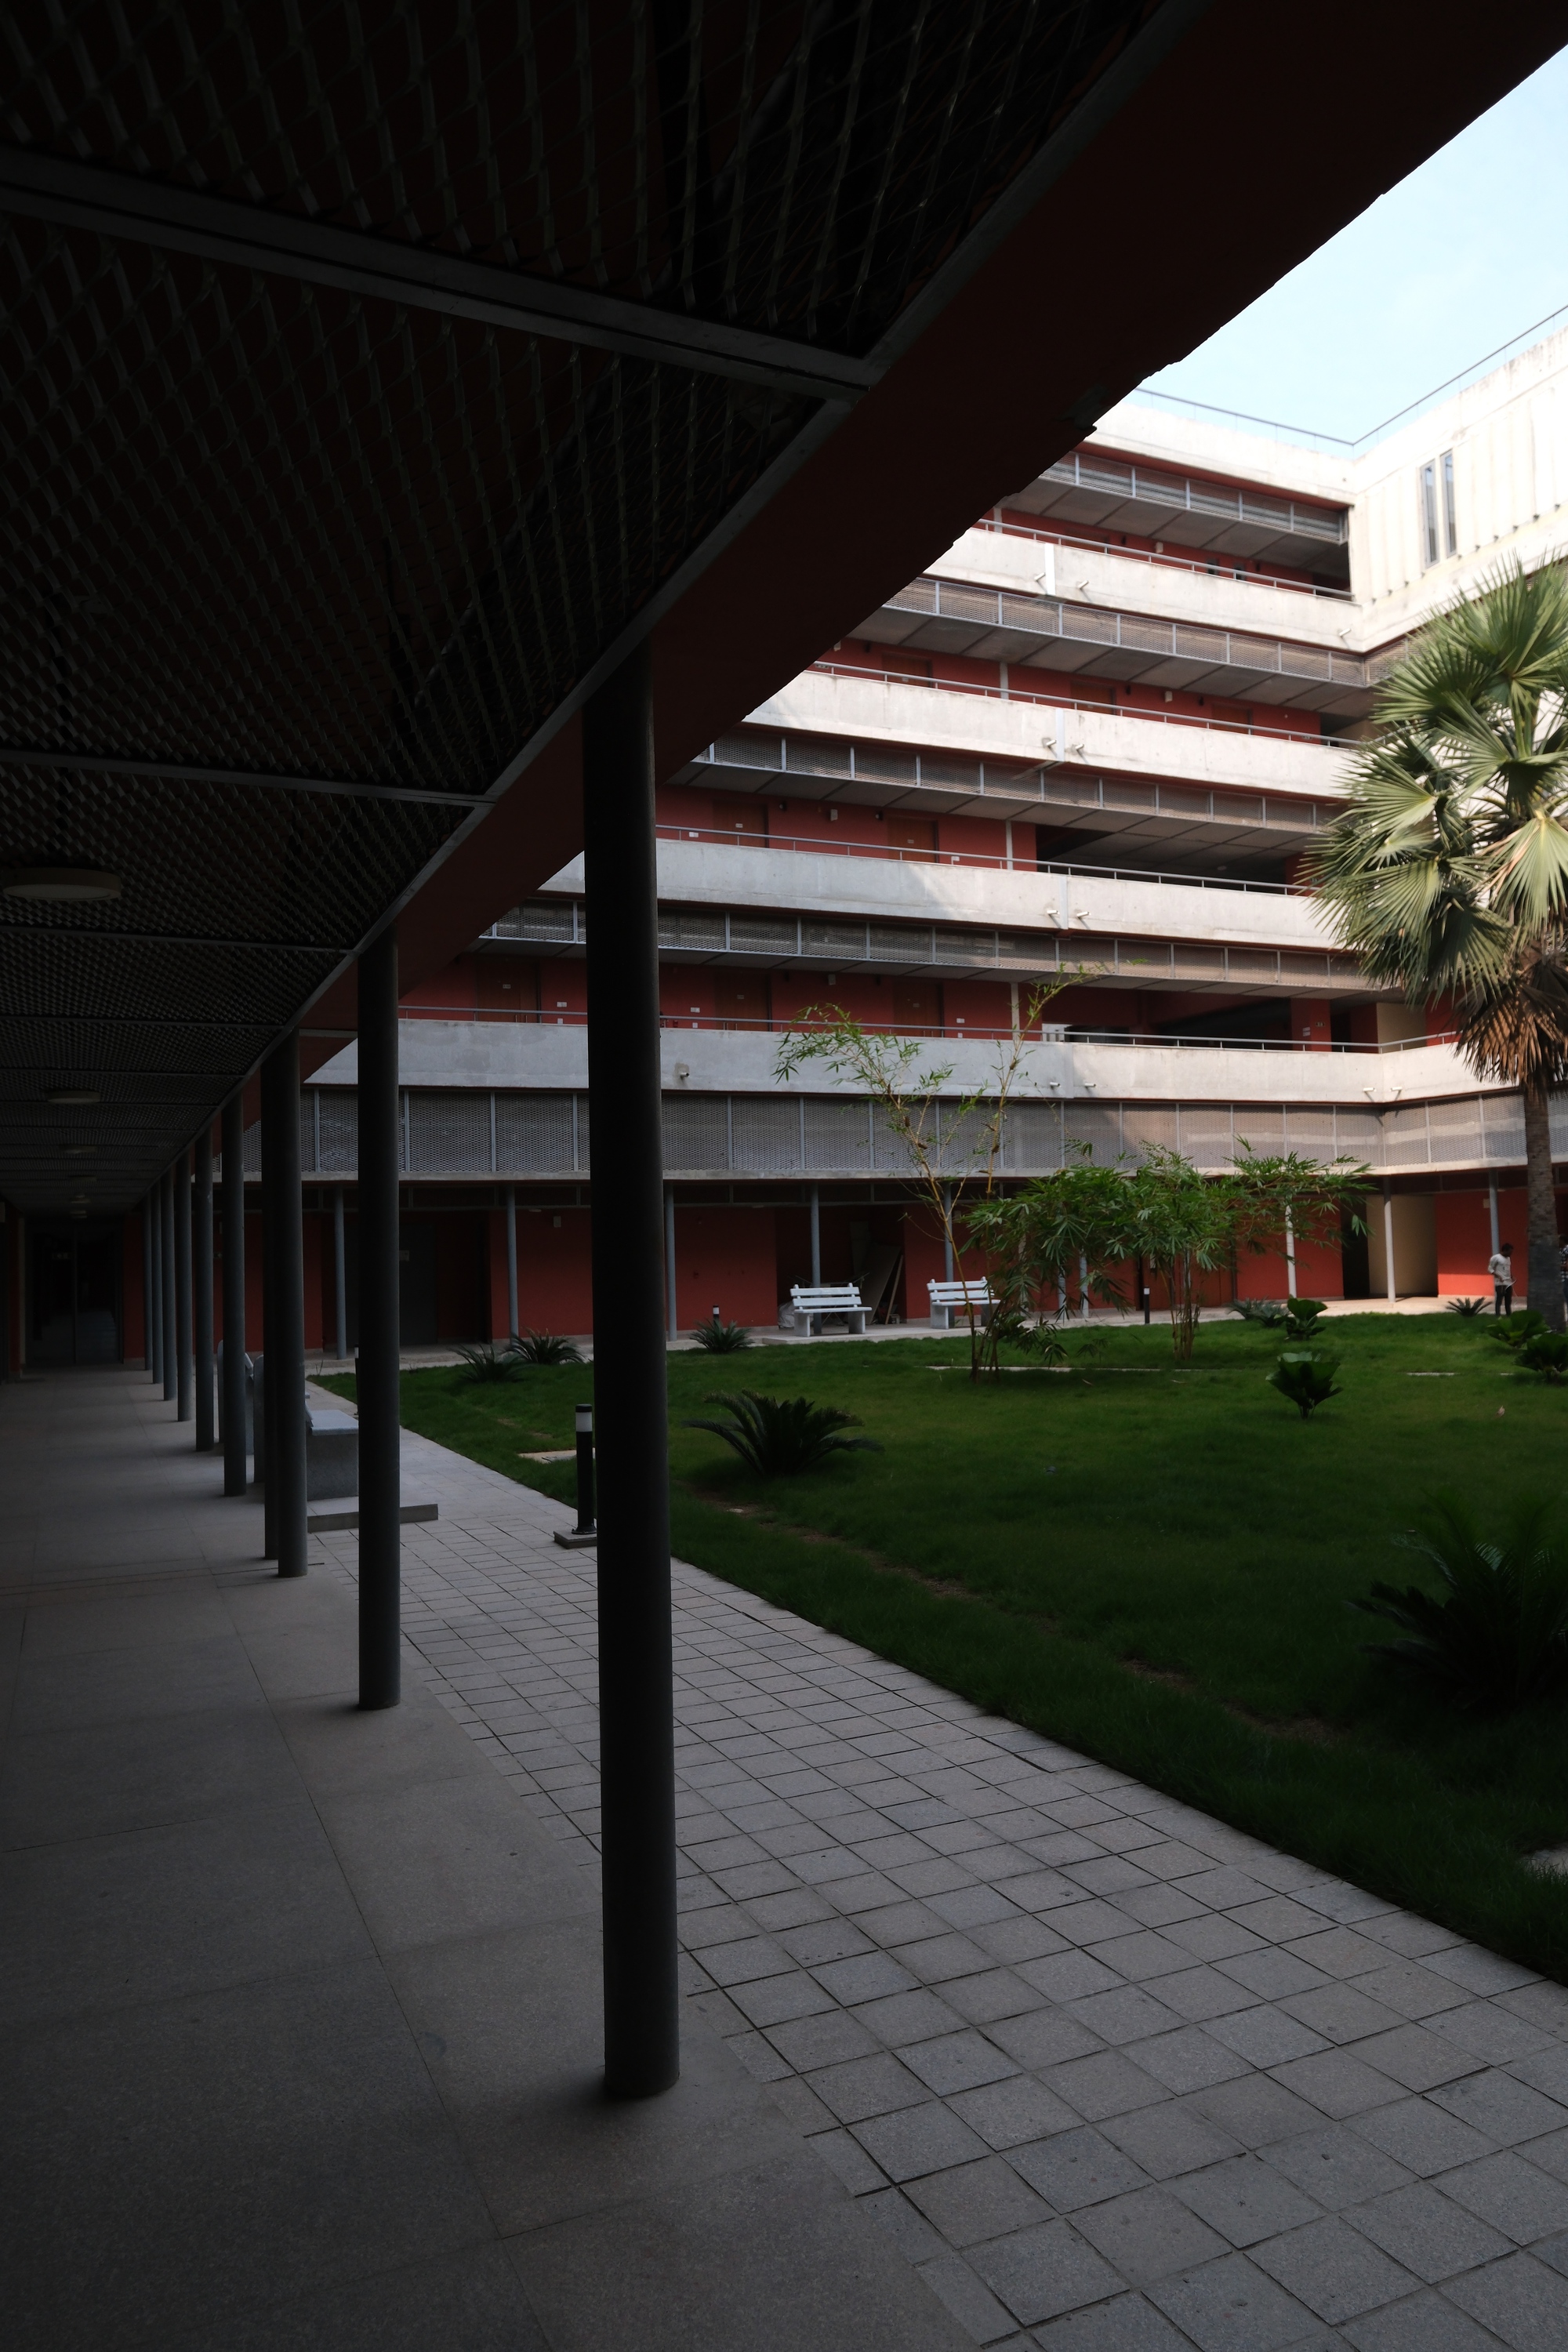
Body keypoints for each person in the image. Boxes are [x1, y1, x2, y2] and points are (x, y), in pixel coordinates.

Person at [1489, 1239, 1515, 1316]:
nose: (1511, 1254)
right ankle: (1498, 1315)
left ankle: (1509, 1315)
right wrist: (1498, 1276)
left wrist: (1511, 1276)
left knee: (1508, 1300)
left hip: (1508, 1282)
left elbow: (1507, 1269)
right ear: (1505, 1251)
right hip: (1500, 1283)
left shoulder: (1508, 1259)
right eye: (1510, 1252)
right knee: (1499, 1300)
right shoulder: (1496, 1258)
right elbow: (1490, 1269)